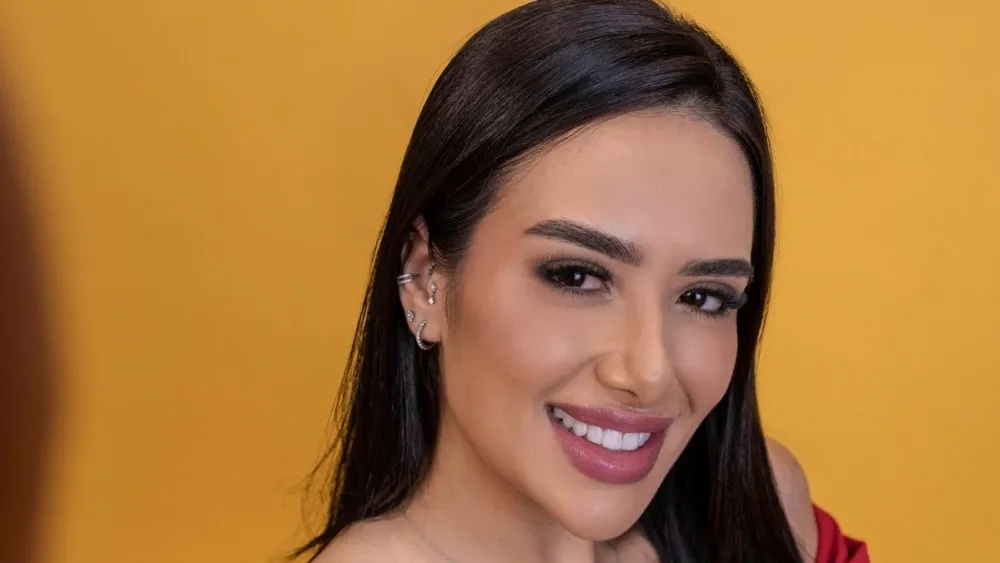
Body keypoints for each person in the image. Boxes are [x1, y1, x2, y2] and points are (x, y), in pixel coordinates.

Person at [300, 1, 868, 561]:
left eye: (703, 297)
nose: (649, 372)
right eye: (577, 276)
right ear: (426, 278)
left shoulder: (760, 515)